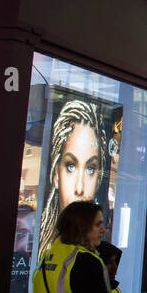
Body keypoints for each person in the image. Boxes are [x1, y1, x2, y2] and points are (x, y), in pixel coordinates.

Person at [35, 100, 106, 270]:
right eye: (71, 166)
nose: (79, 188)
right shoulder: (88, 264)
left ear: (99, 180)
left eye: (90, 169)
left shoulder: (47, 257)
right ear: (56, 175)